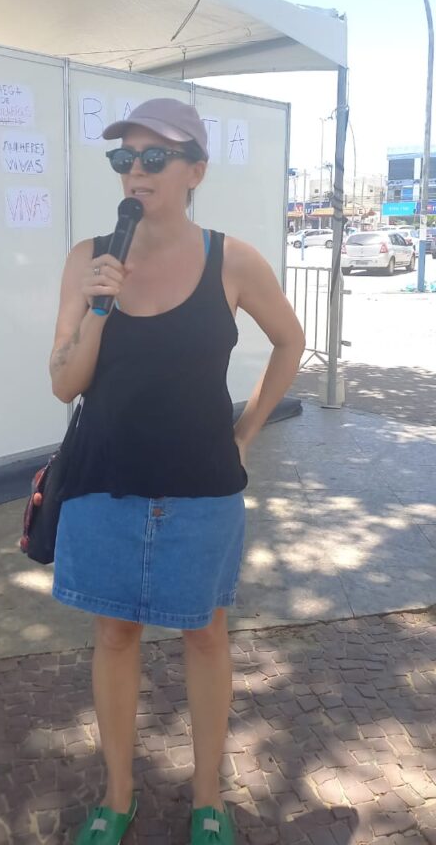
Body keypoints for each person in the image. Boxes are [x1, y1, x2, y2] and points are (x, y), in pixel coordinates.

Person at [49, 98, 305, 845]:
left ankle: (208, 798)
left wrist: (246, 431)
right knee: (114, 636)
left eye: (155, 157)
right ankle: (117, 795)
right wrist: (99, 306)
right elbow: (64, 384)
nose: (136, 170)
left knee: (206, 637)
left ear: (195, 170)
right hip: (103, 480)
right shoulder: (88, 259)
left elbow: (290, 341)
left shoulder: (234, 261)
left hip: (201, 487)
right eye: (123, 158)